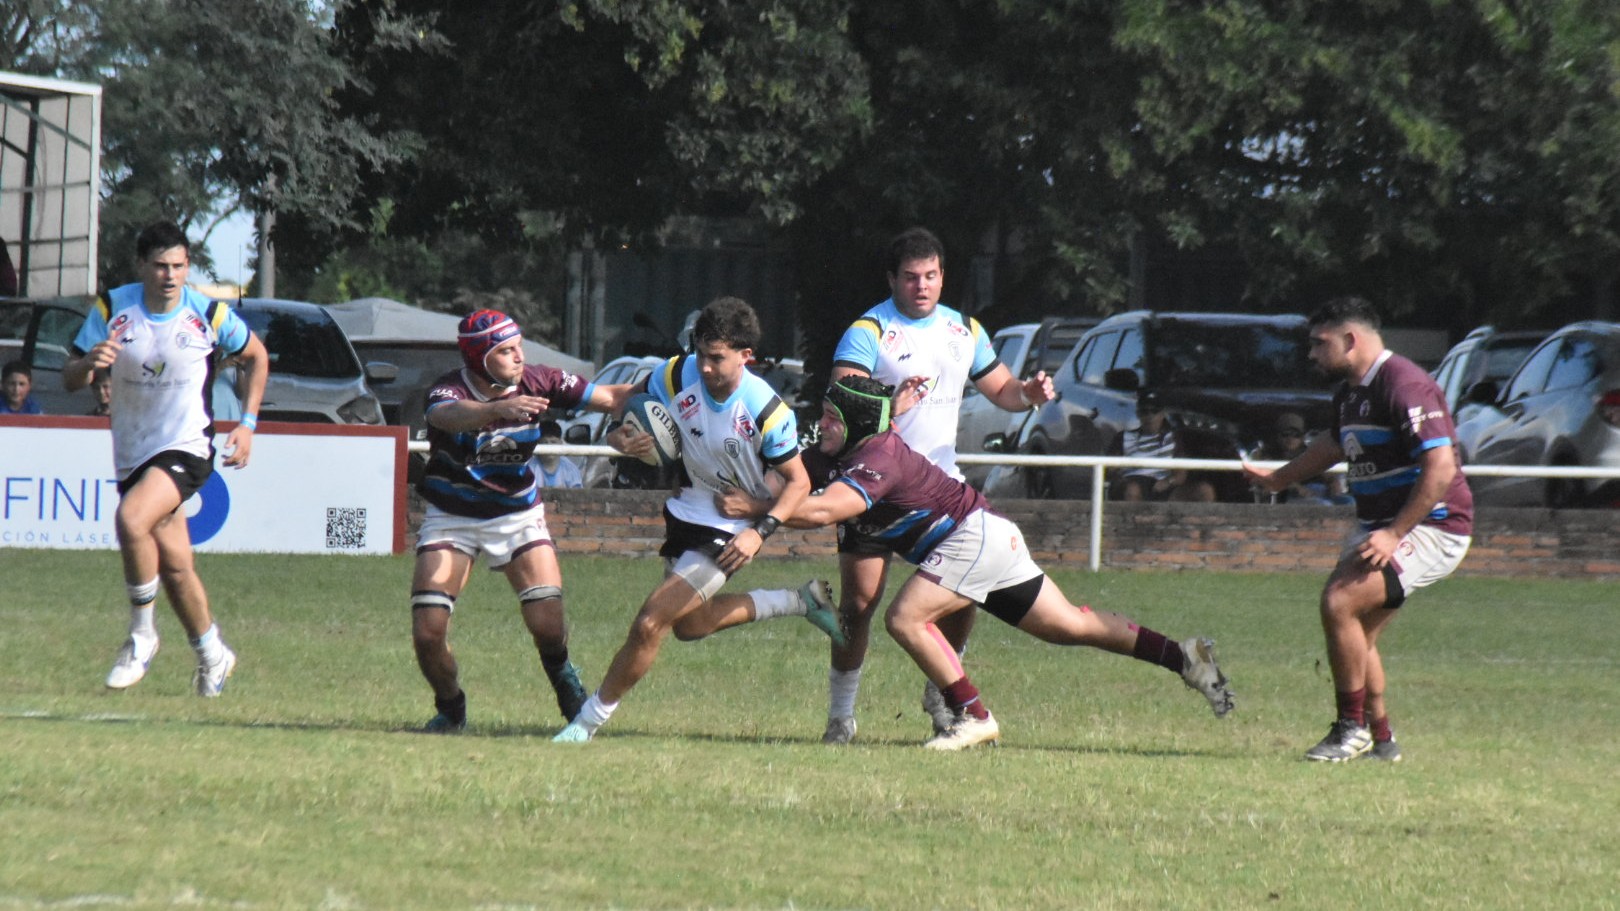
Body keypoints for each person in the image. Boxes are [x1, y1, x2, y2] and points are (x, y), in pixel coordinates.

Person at [719, 375, 1234, 750]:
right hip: (985, 536)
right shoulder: (836, 449)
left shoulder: (878, 457)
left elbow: (829, 509)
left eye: (832, 417)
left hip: (975, 538)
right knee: (1070, 626)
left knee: (905, 617)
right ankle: (1184, 657)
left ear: (855, 422)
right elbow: (783, 482)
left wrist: (761, 511)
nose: (822, 424)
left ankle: (975, 714)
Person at [552, 296, 847, 743]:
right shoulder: (677, 372)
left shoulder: (767, 411)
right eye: (700, 354)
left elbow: (799, 483)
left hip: (728, 529)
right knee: (690, 625)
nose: (705, 368)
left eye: (717, 358)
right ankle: (800, 601)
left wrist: (759, 533)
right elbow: (625, 406)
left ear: (746, 356)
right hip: (687, 511)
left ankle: (587, 722)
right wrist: (621, 437)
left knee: (650, 622)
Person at [823, 227, 1054, 745]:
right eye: (910, 278)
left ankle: (943, 693)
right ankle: (841, 717)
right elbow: (842, 402)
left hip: (940, 491)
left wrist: (1030, 393)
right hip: (874, 485)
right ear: (892, 280)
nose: (921, 286)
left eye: (930, 276)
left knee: (961, 594)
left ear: (943, 276)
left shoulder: (964, 330)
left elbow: (1004, 392)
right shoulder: (869, 330)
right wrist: (890, 402)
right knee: (859, 605)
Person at [1244, 297, 1472, 763]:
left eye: (1319, 343)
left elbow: (1441, 467)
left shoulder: (1405, 384)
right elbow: (1333, 442)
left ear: (1350, 339)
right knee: (1358, 634)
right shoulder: (1352, 391)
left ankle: (1351, 730)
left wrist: (1393, 535)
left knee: (1339, 602)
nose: (1311, 354)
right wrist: (1279, 479)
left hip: (1432, 525)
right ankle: (1382, 740)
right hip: (1383, 525)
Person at [61, 221, 269, 695]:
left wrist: (249, 424)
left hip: (187, 447)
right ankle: (213, 653)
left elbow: (257, 356)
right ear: (142, 266)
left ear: (188, 266)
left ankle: (141, 637)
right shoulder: (113, 307)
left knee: (132, 520)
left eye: (178, 266)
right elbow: (71, 377)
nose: (170, 275)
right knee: (175, 566)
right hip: (132, 451)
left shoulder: (208, 314)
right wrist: (88, 364)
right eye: (160, 266)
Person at [411, 309, 643, 732]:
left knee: (548, 626)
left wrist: (666, 385)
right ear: (480, 358)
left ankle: (564, 682)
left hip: (517, 514)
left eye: (519, 347)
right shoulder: (447, 390)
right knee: (428, 633)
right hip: (452, 517)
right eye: (505, 351)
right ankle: (451, 708)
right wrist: (499, 408)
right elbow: (447, 416)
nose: (519, 357)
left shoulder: (541, 380)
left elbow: (611, 398)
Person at [1110, 391, 1215, 502]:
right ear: (1138, 414)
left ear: (1163, 414)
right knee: (1132, 489)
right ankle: (1136, 519)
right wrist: (1119, 473)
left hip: (1164, 489)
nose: (1150, 416)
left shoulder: (1173, 438)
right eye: (1145, 412)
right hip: (1133, 484)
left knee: (1205, 491)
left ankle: (1192, 520)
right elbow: (1109, 469)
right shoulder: (1123, 437)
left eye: (1154, 411)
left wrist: (1168, 482)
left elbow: (1181, 473)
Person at [1250, 412, 1348, 505]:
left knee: (1347, 502)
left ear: (1302, 437)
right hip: (1285, 502)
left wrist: (1333, 482)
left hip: (1316, 497)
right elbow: (1269, 479)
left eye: (1296, 435)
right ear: (1277, 436)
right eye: (1286, 434)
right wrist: (1296, 488)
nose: (1290, 439)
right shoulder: (1269, 455)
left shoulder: (1309, 453)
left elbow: (1326, 473)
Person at [533, 419, 583, 489]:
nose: (549, 446)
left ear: (560, 442)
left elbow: (578, 496)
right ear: (537, 444)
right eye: (544, 442)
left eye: (553, 442)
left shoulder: (570, 469)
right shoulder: (530, 468)